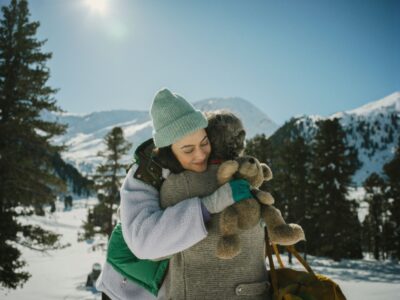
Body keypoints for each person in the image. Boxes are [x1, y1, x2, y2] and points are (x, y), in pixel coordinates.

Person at [96, 89, 269, 299]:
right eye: (188, 150)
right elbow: (144, 244)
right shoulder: (143, 177)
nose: (200, 154)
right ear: (169, 150)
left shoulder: (200, 166)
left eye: (205, 143)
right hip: (124, 285)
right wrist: (209, 204)